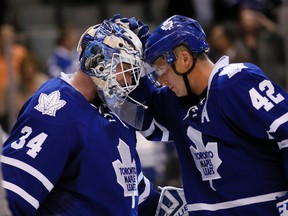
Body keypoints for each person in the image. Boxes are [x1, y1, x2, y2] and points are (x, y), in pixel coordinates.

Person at [114, 14, 288, 215]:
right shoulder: (175, 100)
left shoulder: (237, 82)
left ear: (184, 59)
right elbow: (143, 118)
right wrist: (130, 67)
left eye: (162, 71)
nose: (161, 81)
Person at [1, 19, 160, 215]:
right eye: (126, 69)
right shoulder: (56, 109)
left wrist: (163, 204)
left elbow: (129, 193)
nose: (131, 81)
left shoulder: (114, 112)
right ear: (99, 61)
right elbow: (14, 194)